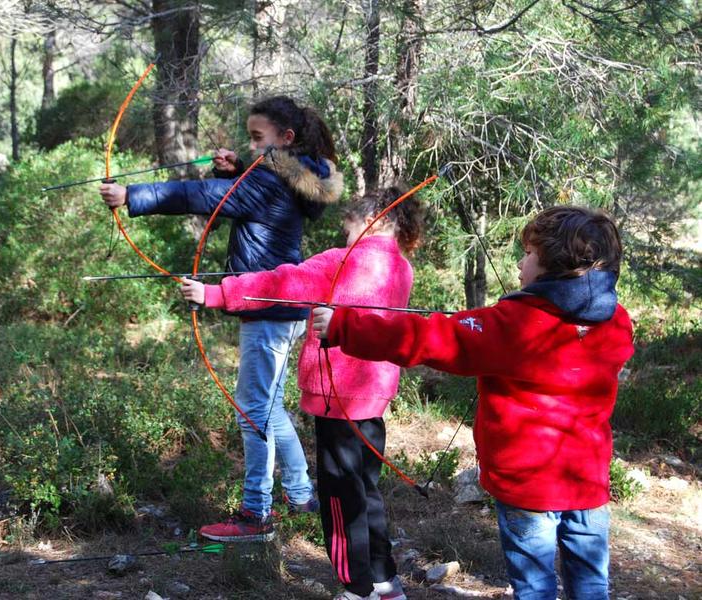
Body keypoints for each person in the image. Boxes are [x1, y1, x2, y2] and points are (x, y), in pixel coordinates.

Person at [313, 206, 635, 600]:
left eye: (530, 254)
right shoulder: (617, 320)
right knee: (591, 586)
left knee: (535, 588)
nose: (520, 262)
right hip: (589, 485)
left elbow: (429, 338)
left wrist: (345, 325)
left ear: (555, 265)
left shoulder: (516, 322)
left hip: (528, 489)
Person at [100, 96, 343, 542]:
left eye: (257, 137)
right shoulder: (289, 176)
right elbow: (245, 201)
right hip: (283, 307)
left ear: (285, 139)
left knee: (253, 411)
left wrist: (132, 195)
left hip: (268, 309)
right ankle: (301, 493)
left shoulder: (269, 181)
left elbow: (203, 197)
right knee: (269, 408)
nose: (250, 145)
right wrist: (233, 172)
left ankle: (256, 514)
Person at [181, 186, 423, 600]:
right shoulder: (402, 267)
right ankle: (384, 582)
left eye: (348, 227)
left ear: (372, 222)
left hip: (335, 394)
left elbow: (283, 282)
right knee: (365, 490)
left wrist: (216, 293)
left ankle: (356, 588)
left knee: (339, 499)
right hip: (373, 397)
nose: (344, 236)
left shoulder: (341, 260)